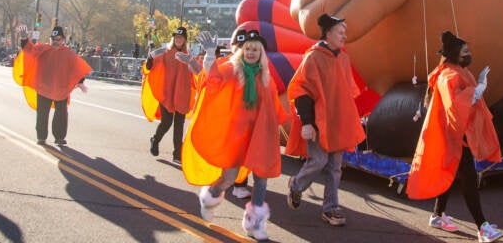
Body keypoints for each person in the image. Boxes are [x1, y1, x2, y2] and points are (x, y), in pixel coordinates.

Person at [186, 30, 287, 241]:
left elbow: (274, 106)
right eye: (248, 48)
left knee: (261, 178)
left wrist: (282, 125)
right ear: (242, 50)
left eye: (255, 49)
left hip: (260, 137)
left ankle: (255, 225)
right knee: (229, 178)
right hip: (236, 136)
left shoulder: (266, 77)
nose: (250, 52)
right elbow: (212, 81)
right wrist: (211, 54)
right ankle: (211, 197)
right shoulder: (232, 69)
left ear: (261, 53)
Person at [406, 31, 503, 243]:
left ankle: (437, 215)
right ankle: (482, 227)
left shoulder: (456, 70)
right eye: (465, 51)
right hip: (454, 136)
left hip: (458, 134)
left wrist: (477, 88)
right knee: (468, 179)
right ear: (454, 54)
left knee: (451, 175)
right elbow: (455, 104)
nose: (469, 54)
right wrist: (479, 88)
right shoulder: (448, 75)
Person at [285, 14, 365, 227]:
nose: (344, 36)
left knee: (334, 168)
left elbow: (347, 94)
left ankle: (330, 209)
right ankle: (296, 185)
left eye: (344, 32)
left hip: (337, 124)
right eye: (341, 32)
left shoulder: (343, 58)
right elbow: (301, 90)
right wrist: (307, 123)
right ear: (328, 33)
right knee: (319, 161)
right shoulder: (313, 57)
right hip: (318, 123)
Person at [13, 25, 91, 145]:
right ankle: (41, 137)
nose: (55, 42)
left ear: (63, 40)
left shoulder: (68, 54)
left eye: (58, 39)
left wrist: (81, 82)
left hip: (61, 89)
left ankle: (59, 137)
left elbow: (77, 67)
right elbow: (29, 50)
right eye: (53, 39)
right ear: (50, 39)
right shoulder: (42, 49)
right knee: (42, 114)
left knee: (61, 115)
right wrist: (24, 39)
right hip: (43, 88)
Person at [141, 26, 196, 163]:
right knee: (166, 122)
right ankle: (155, 139)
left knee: (179, 125)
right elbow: (150, 66)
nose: (178, 40)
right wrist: (150, 58)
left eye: (181, 38)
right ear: (174, 39)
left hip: (182, 94)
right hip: (167, 93)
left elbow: (196, 73)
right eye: (176, 37)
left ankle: (177, 154)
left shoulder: (188, 56)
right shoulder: (165, 52)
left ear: (184, 40)